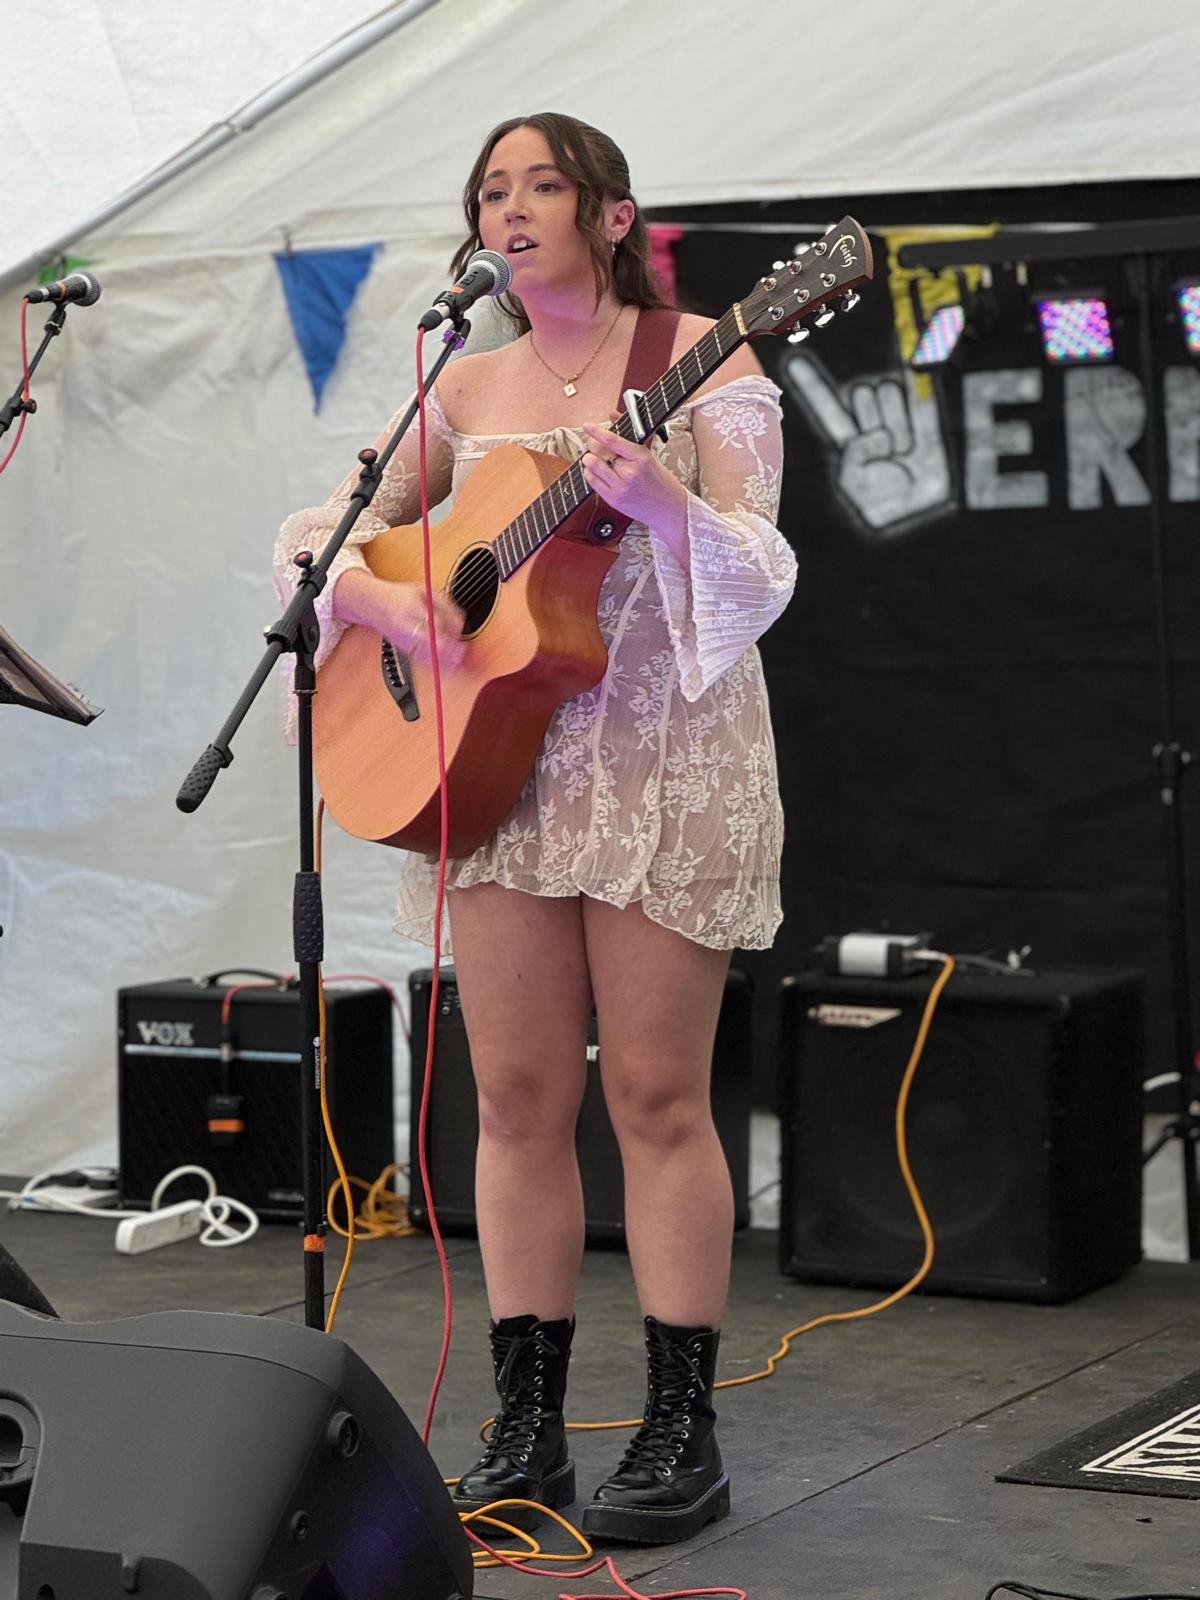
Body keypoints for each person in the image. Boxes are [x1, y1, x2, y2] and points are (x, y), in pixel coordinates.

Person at [273, 112, 797, 1547]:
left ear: (612, 215)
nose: (511, 209)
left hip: (657, 764)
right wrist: (389, 603)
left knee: (654, 1100)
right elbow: (328, 543)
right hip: (498, 771)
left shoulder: (707, 353)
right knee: (512, 1101)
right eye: (491, 190)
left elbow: (763, 565)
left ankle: (681, 1431)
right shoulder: (465, 376)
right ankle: (525, 1432)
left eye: (541, 186)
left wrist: (668, 503)